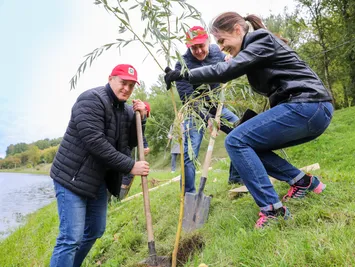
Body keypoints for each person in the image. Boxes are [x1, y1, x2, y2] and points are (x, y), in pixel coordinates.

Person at [164, 13, 333, 228]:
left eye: (222, 41)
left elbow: (225, 72)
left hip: (308, 105)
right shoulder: (253, 49)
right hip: (310, 110)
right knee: (247, 143)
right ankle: (303, 182)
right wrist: (218, 123)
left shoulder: (260, 39)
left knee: (236, 142)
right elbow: (229, 69)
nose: (222, 47)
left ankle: (272, 210)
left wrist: (184, 74)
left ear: (237, 30)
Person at [50, 64, 149, 266]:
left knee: (96, 230)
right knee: (70, 238)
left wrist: (142, 118)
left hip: (97, 182)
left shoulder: (125, 110)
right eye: (123, 83)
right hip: (72, 178)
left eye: (131, 86)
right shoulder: (91, 100)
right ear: (111, 78)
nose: (127, 89)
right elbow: (96, 143)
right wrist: (131, 166)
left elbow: (129, 142)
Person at [174, 26, 241, 193]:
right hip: (195, 111)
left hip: (218, 107)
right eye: (193, 47)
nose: (198, 51)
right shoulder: (181, 65)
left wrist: (229, 61)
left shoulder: (217, 52)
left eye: (201, 46)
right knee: (190, 154)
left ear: (208, 42)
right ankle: (188, 192)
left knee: (241, 130)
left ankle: (236, 178)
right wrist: (208, 119)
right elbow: (188, 99)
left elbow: (233, 59)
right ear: (188, 46)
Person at [119, 101, 151, 200]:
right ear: (145, 110)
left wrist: (145, 146)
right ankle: (118, 198)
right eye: (147, 114)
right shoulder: (131, 115)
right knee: (128, 173)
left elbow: (141, 134)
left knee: (127, 174)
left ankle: (117, 198)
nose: (147, 116)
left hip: (126, 148)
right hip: (122, 147)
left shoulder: (138, 118)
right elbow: (138, 133)